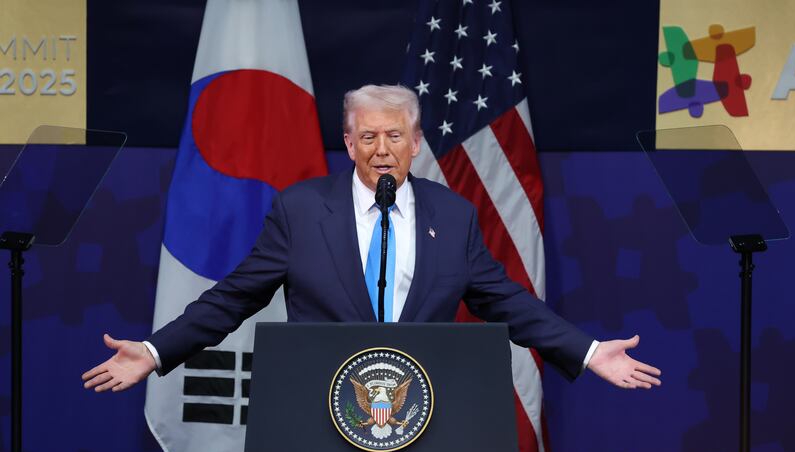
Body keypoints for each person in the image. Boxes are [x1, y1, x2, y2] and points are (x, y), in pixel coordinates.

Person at [83, 84, 661, 393]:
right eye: (367, 136)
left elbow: (506, 301)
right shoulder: (302, 209)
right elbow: (234, 297)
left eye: (393, 135)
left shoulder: (453, 215)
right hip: (318, 411)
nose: (380, 149)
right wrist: (157, 351)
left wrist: (586, 351)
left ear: (415, 142)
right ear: (348, 141)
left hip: (424, 412)